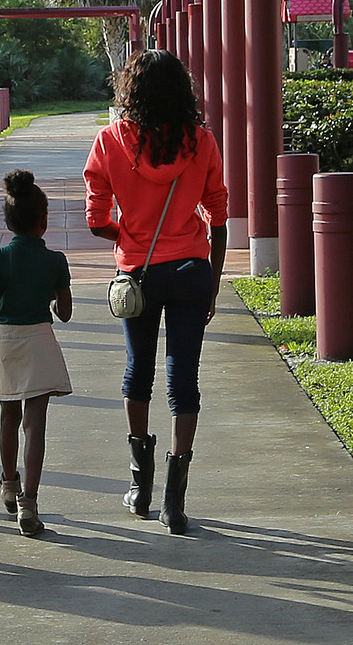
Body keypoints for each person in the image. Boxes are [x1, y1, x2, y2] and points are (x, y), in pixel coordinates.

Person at [83, 50, 227, 535]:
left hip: (138, 275)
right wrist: (213, 280)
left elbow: (96, 218)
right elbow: (219, 215)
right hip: (191, 269)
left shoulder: (108, 142)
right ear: (182, 91)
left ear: (131, 90)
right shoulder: (202, 142)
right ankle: (174, 500)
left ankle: (139, 485)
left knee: (137, 371)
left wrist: (128, 235)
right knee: (183, 379)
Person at [0, 169, 72, 536]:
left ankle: (8, 484)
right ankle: (29, 504)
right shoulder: (56, 261)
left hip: (4, 340)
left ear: (9, 220)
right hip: (39, 342)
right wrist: (50, 294)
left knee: (7, 418)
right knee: (36, 426)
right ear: (43, 220)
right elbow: (64, 313)